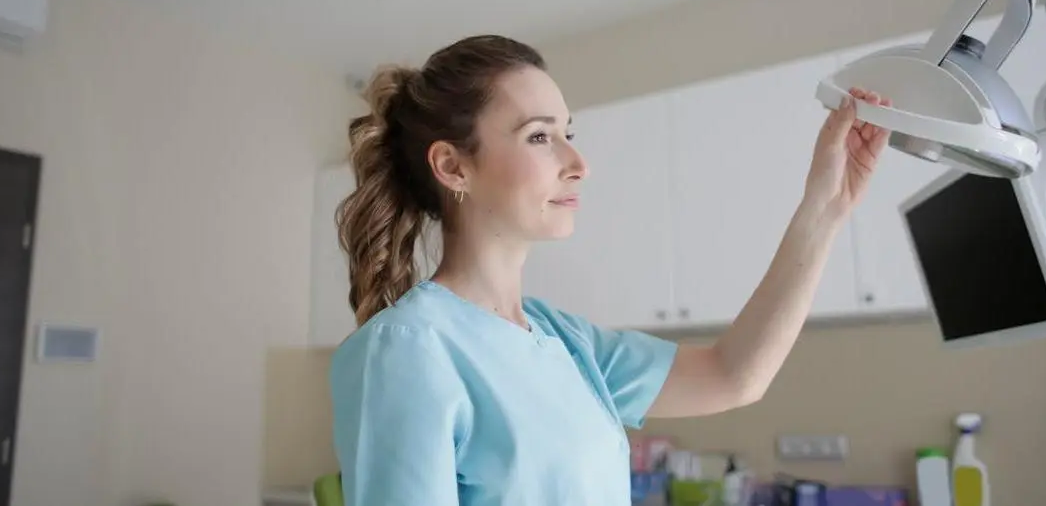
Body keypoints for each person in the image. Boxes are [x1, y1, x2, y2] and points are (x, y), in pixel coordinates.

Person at [328, 34, 891, 505]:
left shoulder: (565, 341)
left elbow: (734, 375)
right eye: (540, 136)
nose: (578, 163)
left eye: (568, 134)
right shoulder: (407, 349)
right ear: (453, 166)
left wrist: (826, 207)